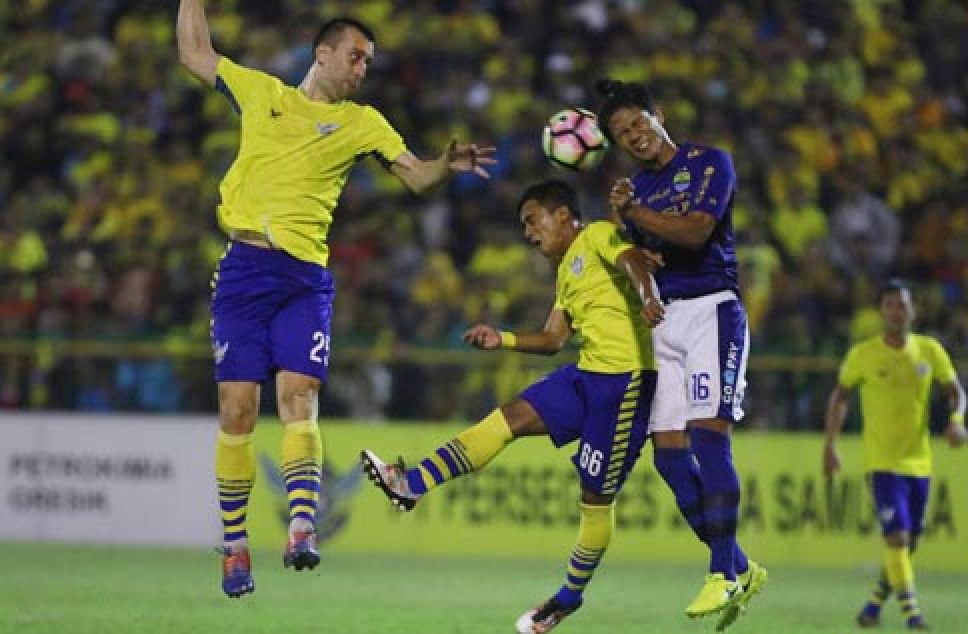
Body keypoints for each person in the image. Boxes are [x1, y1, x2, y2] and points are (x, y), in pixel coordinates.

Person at [176, 0, 496, 599]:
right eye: (355, 56)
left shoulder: (364, 122)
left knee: (299, 397)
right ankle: (236, 544)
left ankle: (302, 525)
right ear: (322, 53)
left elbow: (415, 177)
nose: (361, 69)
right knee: (237, 409)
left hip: (304, 278)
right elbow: (195, 53)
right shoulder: (261, 92)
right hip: (244, 270)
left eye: (368, 62)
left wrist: (444, 166)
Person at [361, 180, 664, 634]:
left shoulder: (599, 233)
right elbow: (553, 339)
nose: (527, 232)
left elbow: (633, 258)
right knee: (509, 417)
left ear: (563, 214)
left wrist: (650, 297)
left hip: (624, 385)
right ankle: (412, 483)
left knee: (594, 499)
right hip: (586, 375)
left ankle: (566, 599)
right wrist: (500, 338)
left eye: (532, 219)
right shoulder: (567, 272)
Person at [596, 78, 766, 630]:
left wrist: (635, 217)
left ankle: (723, 573)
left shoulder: (710, 162)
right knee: (668, 454)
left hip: (711, 313)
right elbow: (646, 257)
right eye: (623, 134)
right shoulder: (636, 195)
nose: (634, 136)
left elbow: (694, 233)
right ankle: (740, 564)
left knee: (709, 436)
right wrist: (633, 243)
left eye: (639, 123)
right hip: (663, 320)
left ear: (660, 115)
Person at [823, 279, 968, 630]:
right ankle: (912, 613)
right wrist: (830, 445)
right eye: (889, 305)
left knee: (907, 543)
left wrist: (957, 420)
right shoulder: (863, 354)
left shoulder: (929, 350)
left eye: (901, 304)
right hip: (882, 462)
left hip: (920, 461)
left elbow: (956, 391)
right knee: (897, 538)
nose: (896, 311)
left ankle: (873, 605)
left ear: (912, 310)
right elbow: (839, 397)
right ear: (881, 312)